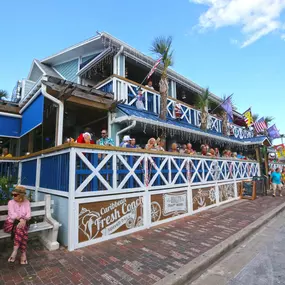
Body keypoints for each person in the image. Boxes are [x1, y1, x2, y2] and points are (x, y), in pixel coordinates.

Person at [3, 186, 31, 264]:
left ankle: (15, 252)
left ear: (21, 195)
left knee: (20, 228)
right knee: (21, 229)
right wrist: (21, 219)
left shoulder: (27, 202)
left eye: (15, 195)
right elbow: (12, 215)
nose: (13, 196)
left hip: (23, 224)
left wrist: (24, 220)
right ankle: (23, 254)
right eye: (12, 194)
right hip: (10, 224)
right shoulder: (11, 203)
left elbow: (29, 215)